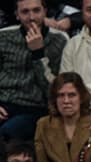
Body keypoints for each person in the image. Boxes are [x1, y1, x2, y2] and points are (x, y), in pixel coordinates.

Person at [0, 0, 67, 142]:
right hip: (5, 104)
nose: (31, 17)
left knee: (9, 131)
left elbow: (53, 90)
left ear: (45, 11)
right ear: (17, 15)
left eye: (36, 11)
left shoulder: (59, 40)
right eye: (25, 12)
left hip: (36, 108)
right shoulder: (4, 37)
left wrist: (38, 53)